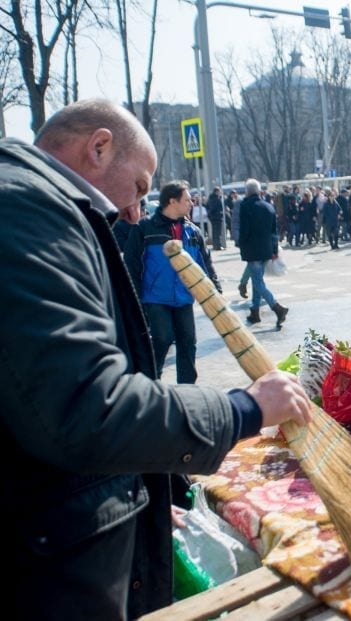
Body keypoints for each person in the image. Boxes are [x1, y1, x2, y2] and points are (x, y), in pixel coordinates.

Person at [0, 99, 312, 619]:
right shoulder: (26, 209)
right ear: (98, 147)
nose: (134, 209)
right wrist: (244, 409)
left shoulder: (34, 202)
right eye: (141, 186)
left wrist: (140, 494)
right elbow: (85, 403)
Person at [124, 180, 220, 384]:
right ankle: (149, 381)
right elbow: (131, 265)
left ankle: (187, 388)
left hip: (184, 298)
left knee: (188, 343)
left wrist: (214, 285)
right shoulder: (145, 228)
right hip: (155, 297)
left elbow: (204, 261)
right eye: (187, 200)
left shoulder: (192, 231)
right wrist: (135, 296)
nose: (191, 203)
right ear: (172, 201)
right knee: (162, 338)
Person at [239, 178, 288, 328]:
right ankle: (254, 312)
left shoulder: (245, 206)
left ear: (247, 192)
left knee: (258, 283)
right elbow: (274, 232)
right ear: (259, 191)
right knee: (257, 281)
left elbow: (244, 230)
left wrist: (241, 243)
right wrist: (274, 250)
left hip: (252, 250)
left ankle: (277, 308)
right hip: (266, 249)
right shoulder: (269, 207)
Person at [206, 186, 226, 250]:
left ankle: (215, 246)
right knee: (218, 232)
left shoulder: (210, 198)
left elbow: (208, 207)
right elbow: (214, 208)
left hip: (213, 218)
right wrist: (219, 213)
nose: (220, 193)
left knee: (215, 232)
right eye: (219, 191)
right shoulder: (216, 199)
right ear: (216, 192)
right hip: (217, 217)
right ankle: (218, 246)